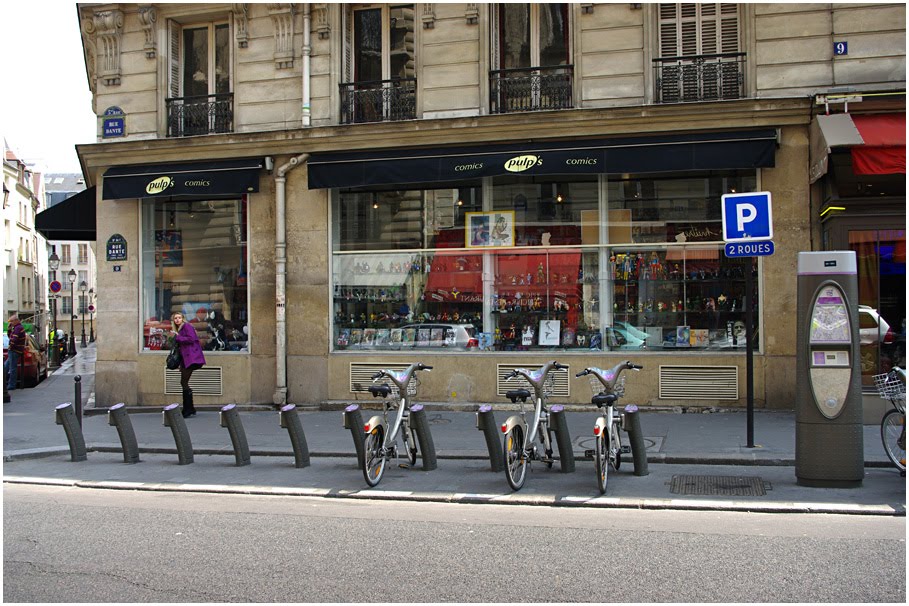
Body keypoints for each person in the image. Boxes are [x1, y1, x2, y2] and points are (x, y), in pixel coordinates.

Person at [170, 312, 206, 418]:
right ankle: (189, 408)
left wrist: (177, 337)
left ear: (183, 319)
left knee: (184, 381)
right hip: (186, 359)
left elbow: (191, 338)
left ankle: (188, 408)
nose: (177, 320)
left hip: (192, 358)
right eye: (175, 318)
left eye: (179, 318)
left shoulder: (186, 326)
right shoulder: (179, 329)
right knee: (184, 382)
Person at [5, 314, 26, 392]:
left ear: (16, 320)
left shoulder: (18, 328)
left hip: (14, 350)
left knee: (12, 368)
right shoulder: (16, 328)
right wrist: (9, 330)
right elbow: (10, 337)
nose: (11, 323)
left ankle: (11, 385)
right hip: (14, 350)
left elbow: (14, 339)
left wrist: (11, 346)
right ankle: (6, 384)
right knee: (6, 367)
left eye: (11, 321)